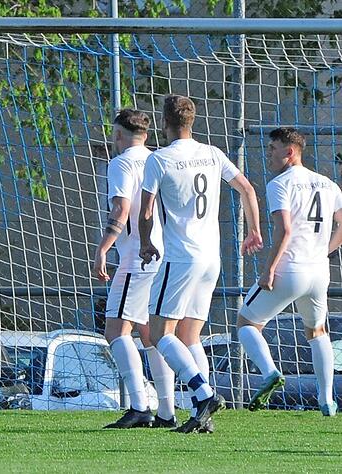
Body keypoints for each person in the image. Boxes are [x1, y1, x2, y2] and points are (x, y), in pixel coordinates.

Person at [139, 95, 264, 433]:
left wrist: (145, 242)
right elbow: (247, 189)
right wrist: (253, 230)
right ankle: (201, 415)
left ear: (164, 123)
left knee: (158, 331)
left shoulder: (159, 159)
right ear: (192, 122)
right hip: (212, 258)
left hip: (180, 258)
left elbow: (146, 210)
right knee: (190, 335)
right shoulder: (212, 153)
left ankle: (203, 393)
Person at [236, 127, 342, 417]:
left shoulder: (280, 183)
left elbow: (284, 229)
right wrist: (326, 250)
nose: (269, 153)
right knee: (317, 331)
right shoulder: (328, 184)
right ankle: (326, 401)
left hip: (291, 269)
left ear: (290, 152)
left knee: (246, 323)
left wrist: (269, 269)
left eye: (273, 148)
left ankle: (269, 373)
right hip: (319, 272)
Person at [92, 109, 177, 429]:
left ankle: (140, 406)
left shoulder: (122, 163)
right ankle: (167, 411)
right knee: (150, 334)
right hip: (164, 254)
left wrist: (103, 248)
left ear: (118, 135)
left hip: (136, 259)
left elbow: (122, 208)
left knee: (115, 330)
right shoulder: (159, 160)